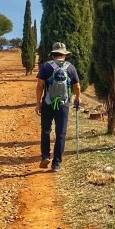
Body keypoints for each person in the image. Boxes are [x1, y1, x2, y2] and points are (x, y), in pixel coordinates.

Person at [35, 42, 81, 171]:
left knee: (46, 130)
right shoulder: (70, 67)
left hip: (48, 103)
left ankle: (45, 156)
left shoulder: (45, 67)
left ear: (53, 55)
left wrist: (38, 103)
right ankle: (56, 163)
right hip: (63, 104)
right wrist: (77, 97)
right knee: (61, 133)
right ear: (64, 55)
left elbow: (40, 86)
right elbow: (76, 86)